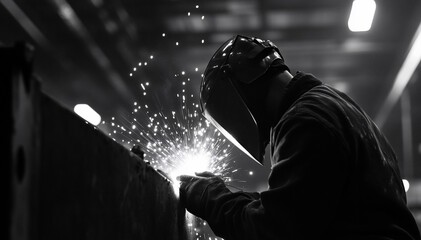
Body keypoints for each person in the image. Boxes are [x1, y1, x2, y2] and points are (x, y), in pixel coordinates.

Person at [177, 35, 421, 239]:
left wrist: (210, 199)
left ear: (237, 96)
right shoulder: (329, 103)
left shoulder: (304, 122)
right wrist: (225, 195)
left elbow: (273, 231)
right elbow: (299, 204)